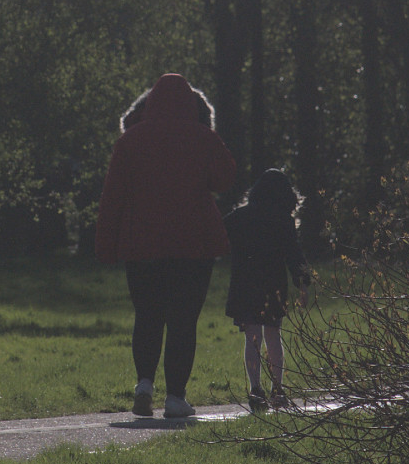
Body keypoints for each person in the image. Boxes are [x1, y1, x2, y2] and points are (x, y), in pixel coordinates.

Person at [94, 73, 236, 419]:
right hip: (193, 245)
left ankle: (144, 384)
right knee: (183, 321)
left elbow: (113, 196)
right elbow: (225, 179)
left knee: (147, 315)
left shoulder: (131, 141)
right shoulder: (203, 138)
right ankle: (175, 397)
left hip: (142, 244)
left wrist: (105, 245)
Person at [223, 168, 312, 410]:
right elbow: (295, 254)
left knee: (252, 338)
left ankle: (255, 390)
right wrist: (303, 284)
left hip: (244, 282)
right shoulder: (282, 220)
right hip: (273, 284)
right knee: (273, 336)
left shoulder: (238, 217)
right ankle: (278, 389)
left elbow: (219, 239)